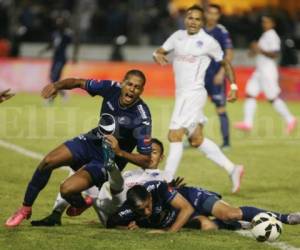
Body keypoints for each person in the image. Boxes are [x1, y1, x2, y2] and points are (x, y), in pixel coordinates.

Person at [5, 69, 152, 227]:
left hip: (108, 159)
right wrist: (57, 85)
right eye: (129, 84)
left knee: (66, 190)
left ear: (141, 90)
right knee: (48, 161)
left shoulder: (142, 117)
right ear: (122, 83)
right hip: (91, 141)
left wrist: (120, 152)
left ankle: (81, 203)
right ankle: (25, 208)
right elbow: (77, 82)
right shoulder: (110, 88)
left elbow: (146, 160)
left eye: (137, 87)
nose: (132, 89)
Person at [152, 5, 243, 193]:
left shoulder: (208, 42)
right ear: (185, 19)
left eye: (197, 19)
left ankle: (167, 181)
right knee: (196, 139)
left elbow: (225, 63)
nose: (193, 21)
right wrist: (157, 55)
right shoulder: (177, 36)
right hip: (181, 95)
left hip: (194, 94)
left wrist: (233, 87)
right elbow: (160, 51)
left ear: (202, 22)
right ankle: (232, 169)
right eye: (190, 18)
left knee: (174, 135)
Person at [30, 138, 172, 227]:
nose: (148, 156)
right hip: (104, 202)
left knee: (117, 184)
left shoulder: (165, 176)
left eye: (153, 152)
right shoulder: (131, 173)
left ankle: (110, 166)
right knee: (80, 171)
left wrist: (139, 222)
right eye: (145, 152)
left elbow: (162, 205)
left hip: (120, 212)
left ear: (161, 157)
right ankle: (56, 214)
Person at [106, 180, 300, 233]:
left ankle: (286, 218)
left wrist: (168, 233)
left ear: (149, 196)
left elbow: (187, 209)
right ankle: (242, 226)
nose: (146, 212)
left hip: (192, 199)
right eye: (141, 211)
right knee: (208, 227)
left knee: (230, 214)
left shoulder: (158, 188)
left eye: (148, 206)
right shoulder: (129, 208)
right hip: (181, 217)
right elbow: (110, 221)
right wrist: (128, 226)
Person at [234, 15, 297, 134]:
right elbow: (255, 53)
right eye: (263, 22)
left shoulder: (272, 36)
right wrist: (253, 50)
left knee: (272, 97)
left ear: (273, 24)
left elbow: (275, 54)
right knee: (250, 94)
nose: (264, 24)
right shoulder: (264, 35)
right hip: (260, 70)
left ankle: (290, 118)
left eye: (267, 22)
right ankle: (247, 123)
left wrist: (259, 49)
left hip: (268, 70)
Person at [204, 4, 234, 149]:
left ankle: (226, 142)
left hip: (215, 75)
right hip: (200, 77)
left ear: (218, 16)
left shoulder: (221, 31)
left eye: (215, 14)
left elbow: (229, 53)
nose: (212, 16)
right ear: (206, 14)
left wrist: (222, 72)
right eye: (210, 13)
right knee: (194, 109)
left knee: (220, 109)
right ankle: (193, 139)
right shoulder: (199, 30)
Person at [39, 16, 79, 103]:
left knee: (54, 77)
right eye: (57, 23)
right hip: (55, 58)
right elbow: (52, 44)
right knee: (52, 77)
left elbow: (76, 43)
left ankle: (51, 98)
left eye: (61, 23)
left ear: (64, 24)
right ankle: (63, 94)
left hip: (62, 58)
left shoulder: (68, 33)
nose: (59, 25)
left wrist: (75, 56)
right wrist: (43, 50)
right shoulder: (55, 33)